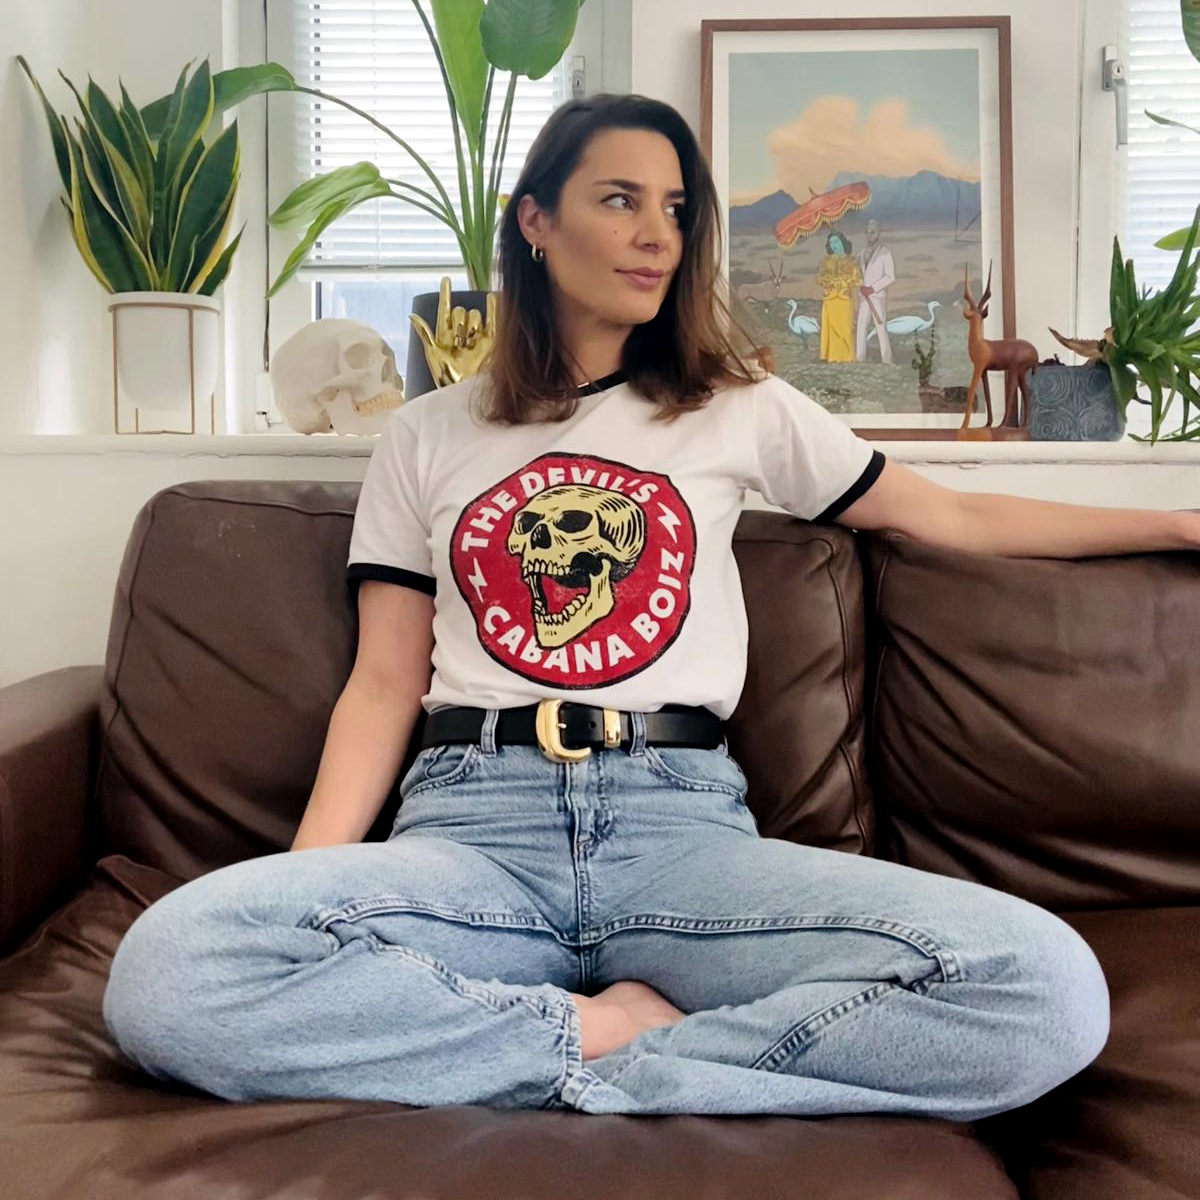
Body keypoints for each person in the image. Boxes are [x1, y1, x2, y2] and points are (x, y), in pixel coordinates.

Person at [101, 92, 1198, 1120]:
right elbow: (384, 682)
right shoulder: (426, 435)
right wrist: (304, 897)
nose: (656, 235)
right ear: (535, 221)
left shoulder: (737, 408)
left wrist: (1175, 523)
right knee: (168, 975)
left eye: (675, 209)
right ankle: (605, 1037)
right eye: (620, 200)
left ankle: (591, 1055)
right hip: (472, 834)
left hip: (681, 835)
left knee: (1045, 989)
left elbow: (949, 515)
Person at [854, 218, 896, 364]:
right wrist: (860, 284)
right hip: (863, 297)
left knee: (880, 327)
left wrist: (873, 288)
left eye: (873, 232)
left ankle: (886, 359)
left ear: (878, 233)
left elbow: (890, 277)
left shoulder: (885, 253)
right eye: (868, 232)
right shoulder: (860, 254)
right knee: (861, 327)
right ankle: (860, 358)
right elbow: (854, 272)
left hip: (877, 296)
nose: (870, 235)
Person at [815, 231, 860, 362]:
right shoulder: (825, 261)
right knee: (832, 328)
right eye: (831, 243)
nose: (834, 245)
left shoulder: (852, 261)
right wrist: (831, 281)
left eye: (836, 241)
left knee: (845, 328)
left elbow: (858, 279)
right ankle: (832, 357)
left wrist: (843, 282)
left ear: (842, 242)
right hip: (830, 298)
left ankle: (847, 357)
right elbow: (819, 278)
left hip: (844, 298)